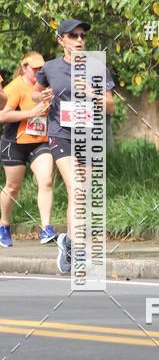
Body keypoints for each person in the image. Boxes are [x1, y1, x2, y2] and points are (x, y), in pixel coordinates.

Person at [32, 19, 115, 273]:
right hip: (61, 134)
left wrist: (92, 93)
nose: (79, 40)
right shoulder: (50, 68)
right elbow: (35, 92)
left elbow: (111, 106)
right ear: (61, 40)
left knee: (80, 193)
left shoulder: (96, 67)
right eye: (73, 35)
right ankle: (79, 251)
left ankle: (68, 241)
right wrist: (41, 96)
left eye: (82, 36)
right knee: (76, 187)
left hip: (88, 135)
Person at [0, 52, 56, 247]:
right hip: (15, 143)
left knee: (46, 180)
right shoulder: (15, 87)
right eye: (35, 68)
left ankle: (46, 227)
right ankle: (4, 224)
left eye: (42, 68)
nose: (39, 72)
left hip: (40, 142)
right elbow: (2, 116)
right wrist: (30, 113)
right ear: (24, 67)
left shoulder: (46, 86)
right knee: (12, 187)